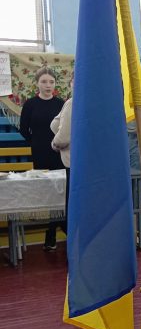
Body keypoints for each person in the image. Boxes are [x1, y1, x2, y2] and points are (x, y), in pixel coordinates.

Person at [19, 67, 65, 250]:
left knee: (60, 193)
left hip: (59, 153)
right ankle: (52, 230)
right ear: (37, 83)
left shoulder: (61, 104)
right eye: (44, 81)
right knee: (47, 193)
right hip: (39, 154)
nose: (48, 85)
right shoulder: (30, 104)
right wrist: (35, 142)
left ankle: (52, 232)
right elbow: (24, 129)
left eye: (51, 82)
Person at [50, 84, 73, 232]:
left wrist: (54, 144)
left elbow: (63, 137)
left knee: (72, 203)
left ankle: (73, 238)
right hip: (90, 161)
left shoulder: (72, 103)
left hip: (72, 159)